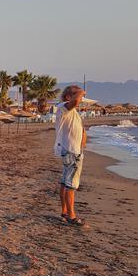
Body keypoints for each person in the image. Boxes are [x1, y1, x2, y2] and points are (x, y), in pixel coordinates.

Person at [54, 85, 87, 227]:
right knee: (70, 185)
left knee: (65, 182)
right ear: (68, 97)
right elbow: (74, 102)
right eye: (78, 96)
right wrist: (80, 93)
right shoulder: (63, 107)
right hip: (72, 151)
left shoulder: (71, 111)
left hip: (73, 151)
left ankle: (65, 212)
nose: (80, 99)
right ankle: (71, 216)